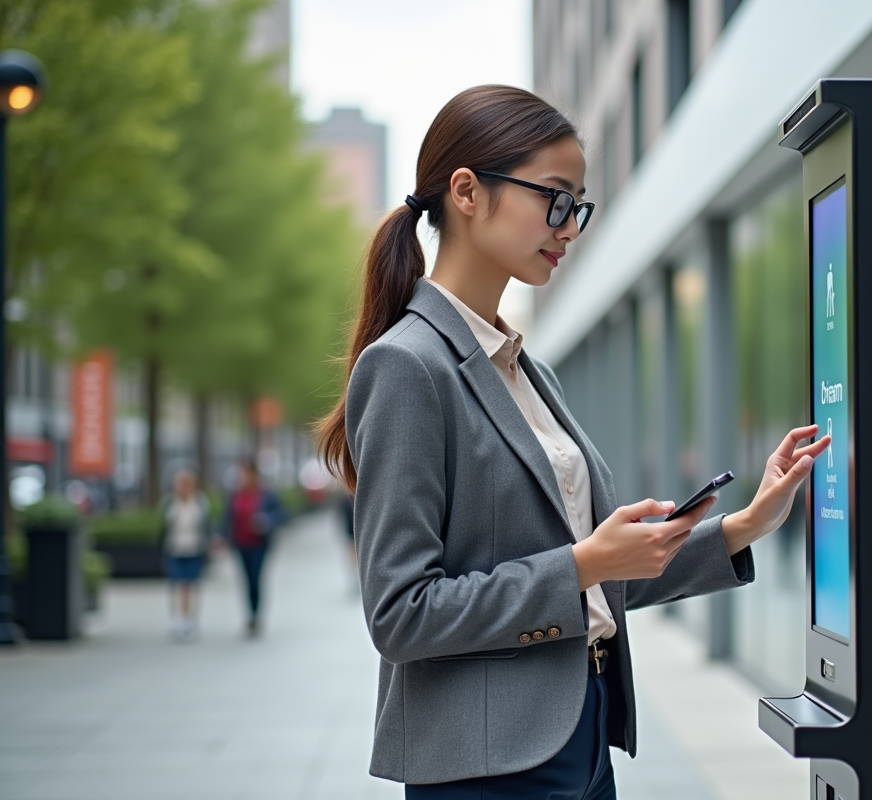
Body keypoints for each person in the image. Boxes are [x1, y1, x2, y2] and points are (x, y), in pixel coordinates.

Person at [316, 85, 830, 798]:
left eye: (579, 206)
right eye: (555, 198)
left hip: (581, 733)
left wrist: (743, 526)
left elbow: (597, 573)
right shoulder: (407, 366)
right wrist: (582, 563)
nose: (570, 226)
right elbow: (401, 613)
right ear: (466, 192)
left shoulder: (528, 370)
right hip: (487, 765)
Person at [222, 459, 285, 637]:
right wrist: (221, 537)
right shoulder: (234, 495)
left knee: (256, 578)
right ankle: (249, 614)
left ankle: (256, 615)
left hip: (260, 544)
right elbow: (227, 519)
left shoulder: (267, 494)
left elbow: (281, 513)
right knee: (246, 580)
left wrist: (267, 520)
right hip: (241, 544)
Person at [160, 469, 213, 641]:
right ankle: (178, 619)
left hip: (194, 549)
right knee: (177, 585)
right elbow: (163, 527)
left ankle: (189, 619)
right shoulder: (169, 503)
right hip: (174, 548)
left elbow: (206, 526)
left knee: (190, 585)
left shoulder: (200, 503)